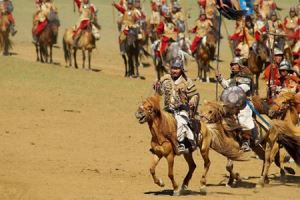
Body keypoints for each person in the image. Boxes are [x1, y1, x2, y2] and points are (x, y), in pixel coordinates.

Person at [154, 56, 199, 155]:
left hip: (181, 110)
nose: (174, 71)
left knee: (181, 121)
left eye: (177, 68)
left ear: (181, 69)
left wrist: (192, 101)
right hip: (168, 109)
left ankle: (182, 143)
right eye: (173, 68)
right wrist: (157, 87)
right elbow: (160, 93)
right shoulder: (165, 79)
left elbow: (194, 95)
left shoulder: (187, 82)